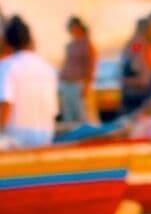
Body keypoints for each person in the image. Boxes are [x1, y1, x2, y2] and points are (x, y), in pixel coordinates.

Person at [0, 16, 59, 148]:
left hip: (15, 140)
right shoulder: (47, 68)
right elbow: (53, 111)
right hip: (45, 137)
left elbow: (5, 105)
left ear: (7, 43)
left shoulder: (7, 66)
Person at [58, 17, 98, 126]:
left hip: (79, 85)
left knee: (83, 117)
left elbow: (91, 66)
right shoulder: (71, 45)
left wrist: (87, 85)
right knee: (69, 117)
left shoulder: (87, 45)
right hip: (67, 85)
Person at [119, 15, 151, 115]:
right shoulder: (140, 46)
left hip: (138, 95)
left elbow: (144, 79)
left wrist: (125, 81)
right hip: (136, 93)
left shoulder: (142, 47)